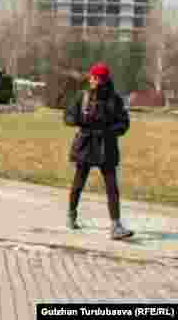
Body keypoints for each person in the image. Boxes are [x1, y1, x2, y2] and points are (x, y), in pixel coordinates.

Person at [65, 62, 135, 240]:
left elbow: (124, 123)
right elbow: (68, 115)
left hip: (106, 145)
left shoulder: (114, 99)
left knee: (112, 187)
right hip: (86, 143)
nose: (91, 80)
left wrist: (111, 131)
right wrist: (77, 120)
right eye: (91, 77)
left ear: (103, 80)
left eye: (95, 77)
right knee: (78, 183)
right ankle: (71, 214)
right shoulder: (83, 96)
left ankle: (116, 225)